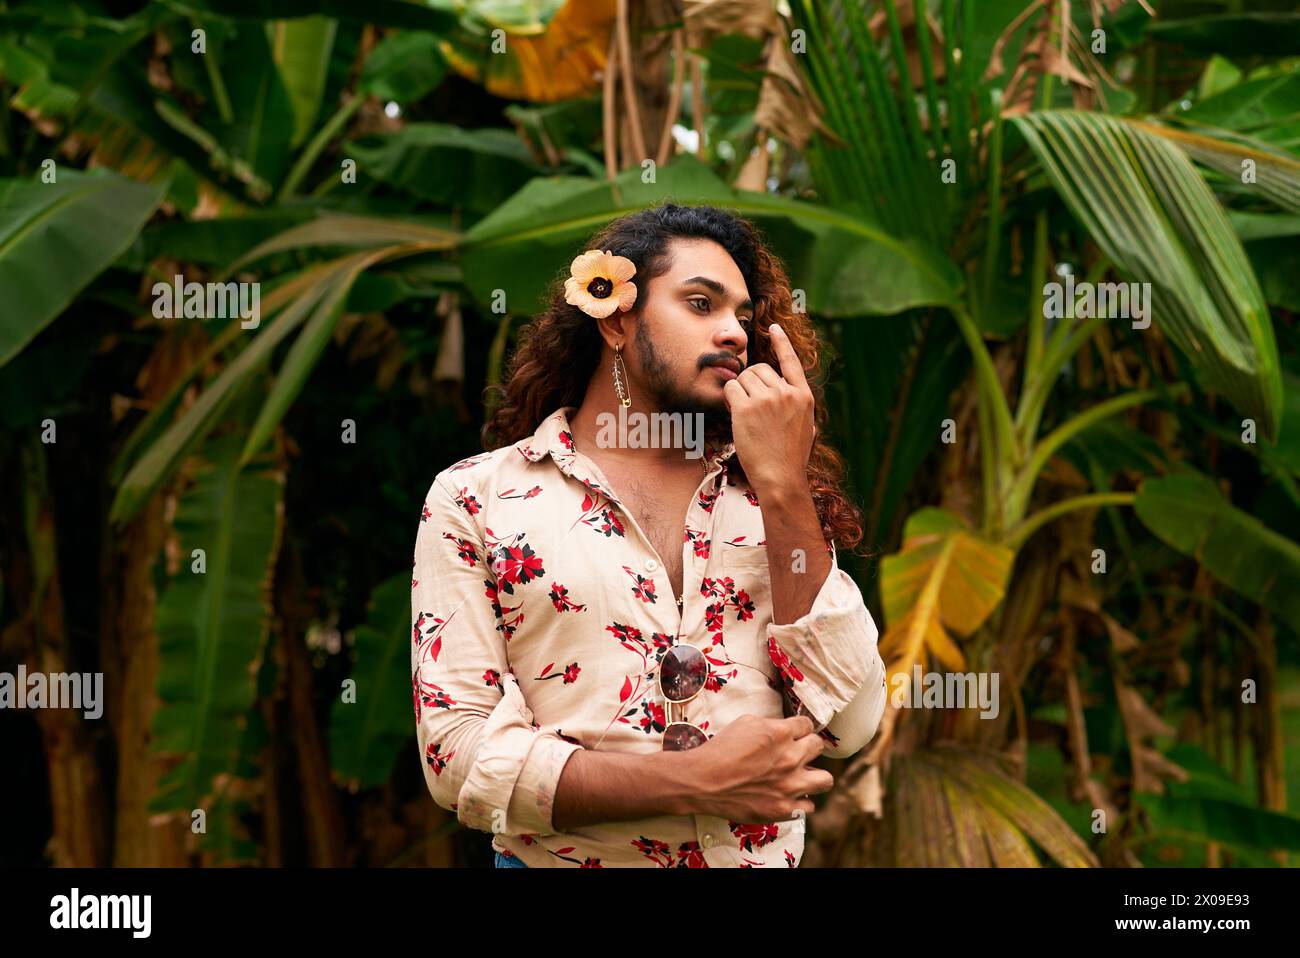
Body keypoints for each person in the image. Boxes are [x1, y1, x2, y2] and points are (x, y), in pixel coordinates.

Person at [411, 202, 887, 868]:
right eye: (701, 304)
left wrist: (783, 488)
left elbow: (852, 722)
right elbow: (457, 758)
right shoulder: (477, 499)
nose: (734, 333)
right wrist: (695, 782)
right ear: (615, 318)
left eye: (744, 317)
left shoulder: (773, 499)